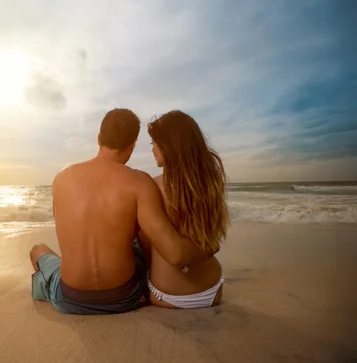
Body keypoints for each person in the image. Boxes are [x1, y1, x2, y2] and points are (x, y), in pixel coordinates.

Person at [29, 108, 204, 315]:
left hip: (70, 297)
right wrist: (210, 246)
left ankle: (43, 285)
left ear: (99, 138)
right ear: (132, 145)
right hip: (125, 297)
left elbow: (70, 231)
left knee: (38, 250)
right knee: (139, 238)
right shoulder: (139, 182)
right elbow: (175, 253)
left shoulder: (61, 178)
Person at [138, 110, 228, 309]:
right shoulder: (211, 183)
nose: (152, 149)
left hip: (166, 295)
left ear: (168, 146)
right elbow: (211, 239)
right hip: (213, 289)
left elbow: (164, 251)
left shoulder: (152, 187)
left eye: (154, 143)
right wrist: (212, 247)